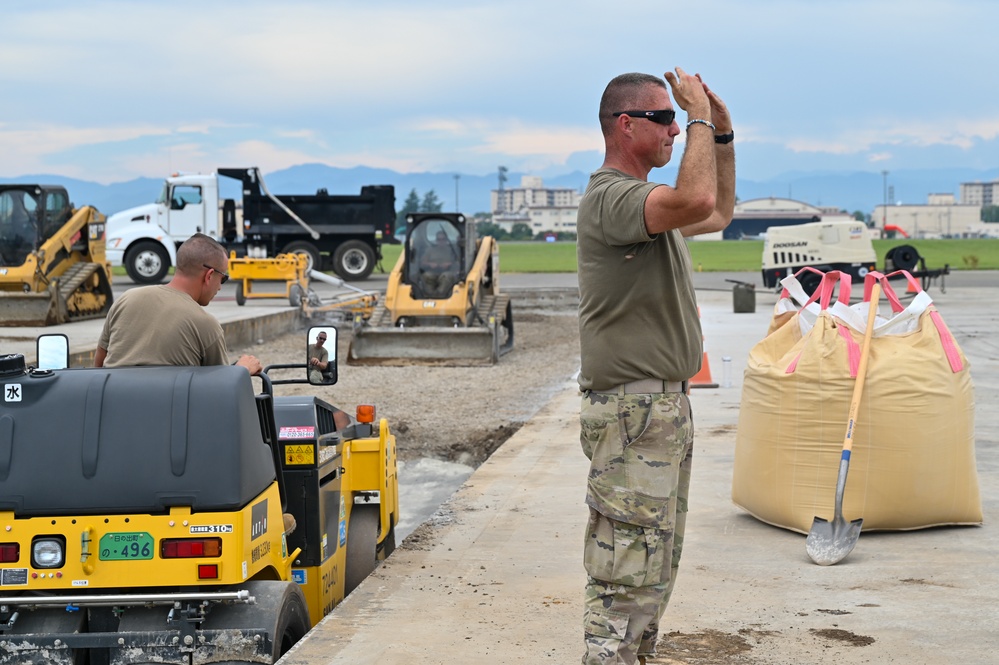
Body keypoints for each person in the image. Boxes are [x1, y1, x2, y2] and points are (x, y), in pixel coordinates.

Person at [576, 68, 735, 664]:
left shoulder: (649, 204)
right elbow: (696, 198)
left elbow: (714, 211)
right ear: (625, 125)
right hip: (632, 410)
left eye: (675, 118)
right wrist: (697, 118)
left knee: (654, 565)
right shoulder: (613, 197)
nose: (672, 130)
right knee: (624, 574)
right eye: (662, 118)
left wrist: (720, 137)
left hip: (660, 408)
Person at [94, 233, 261, 375]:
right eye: (223, 278)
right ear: (209, 275)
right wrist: (242, 370)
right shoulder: (205, 324)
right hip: (169, 413)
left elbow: (99, 366)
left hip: (113, 410)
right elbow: (221, 391)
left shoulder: (125, 300)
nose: (220, 286)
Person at [419, 229, 459, 297]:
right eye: (439, 239)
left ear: (446, 240)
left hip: (448, 272)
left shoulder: (452, 250)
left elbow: (458, 263)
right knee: (426, 276)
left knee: (446, 277)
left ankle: (440, 296)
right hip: (433, 271)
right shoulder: (430, 250)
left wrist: (449, 264)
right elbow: (422, 263)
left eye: (443, 239)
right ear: (436, 240)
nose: (441, 241)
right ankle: (429, 296)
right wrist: (430, 264)